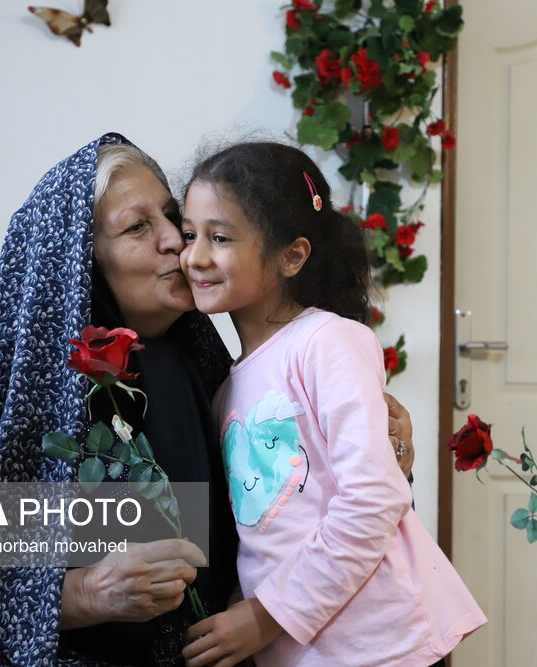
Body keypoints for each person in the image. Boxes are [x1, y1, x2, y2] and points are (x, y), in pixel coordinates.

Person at [0, 133, 414, 666]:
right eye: (136, 227)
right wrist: (84, 592)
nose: (176, 240)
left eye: (173, 217)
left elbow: (300, 516)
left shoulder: (213, 372)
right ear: (77, 264)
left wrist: (378, 456)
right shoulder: (17, 383)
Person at [176, 142, 487, 667]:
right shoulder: (226, 388)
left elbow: (373, 499)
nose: (194, 256)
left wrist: (264, 617)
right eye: (189, 235)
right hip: (299, 648)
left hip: (378, 644)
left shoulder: (327, 341)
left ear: (292, 256)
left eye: (220, 237)